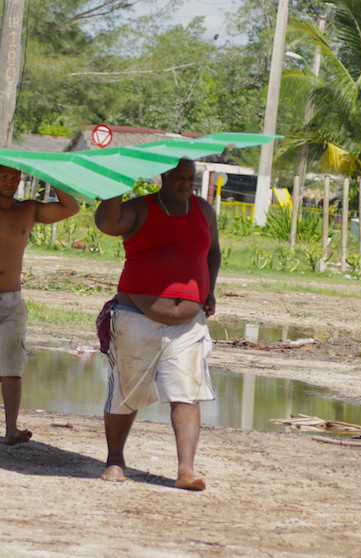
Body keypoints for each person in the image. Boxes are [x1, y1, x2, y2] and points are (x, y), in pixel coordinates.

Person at [94, 157, 220, 491]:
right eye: (179, 177)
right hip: (136, 317)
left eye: (190, 178)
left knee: (186, 392)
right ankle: (115, 460)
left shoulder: (204, 210)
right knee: (126, 393)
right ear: (162, 177)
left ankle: (186, 470)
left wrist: (210, 289)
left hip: (188, 323)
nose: (186, 183)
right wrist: (115, 182)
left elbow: (213, 253)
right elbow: (107, 223)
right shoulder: (140, 208)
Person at [0, 155, 79, 444]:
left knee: (13, 364)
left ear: (21, 181)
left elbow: (70, 207)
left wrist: (47, 171)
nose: (10, 181)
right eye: (5, 176)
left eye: (16, 177)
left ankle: (11, 428)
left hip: (12, 300)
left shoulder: (30, 210)